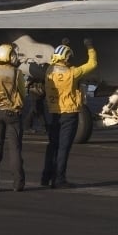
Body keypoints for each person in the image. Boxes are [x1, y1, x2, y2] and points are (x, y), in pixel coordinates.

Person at [42, 39, 98, 188]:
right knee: (63, 148)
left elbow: (60, 60)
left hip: (52, 112)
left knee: (52, 145)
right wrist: (90, 47)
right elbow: (92, 64)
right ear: (66, 58)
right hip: (69, 114)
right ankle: (59, 179)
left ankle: (46, 176)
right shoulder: (72, 73)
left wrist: (64, 46)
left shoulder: (49, 71)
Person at [0, 43, 27, 192]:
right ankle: (18, 184)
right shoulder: (16, 73)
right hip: (12, 114)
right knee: (14, 149)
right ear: (10, 56)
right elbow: (22, 93)